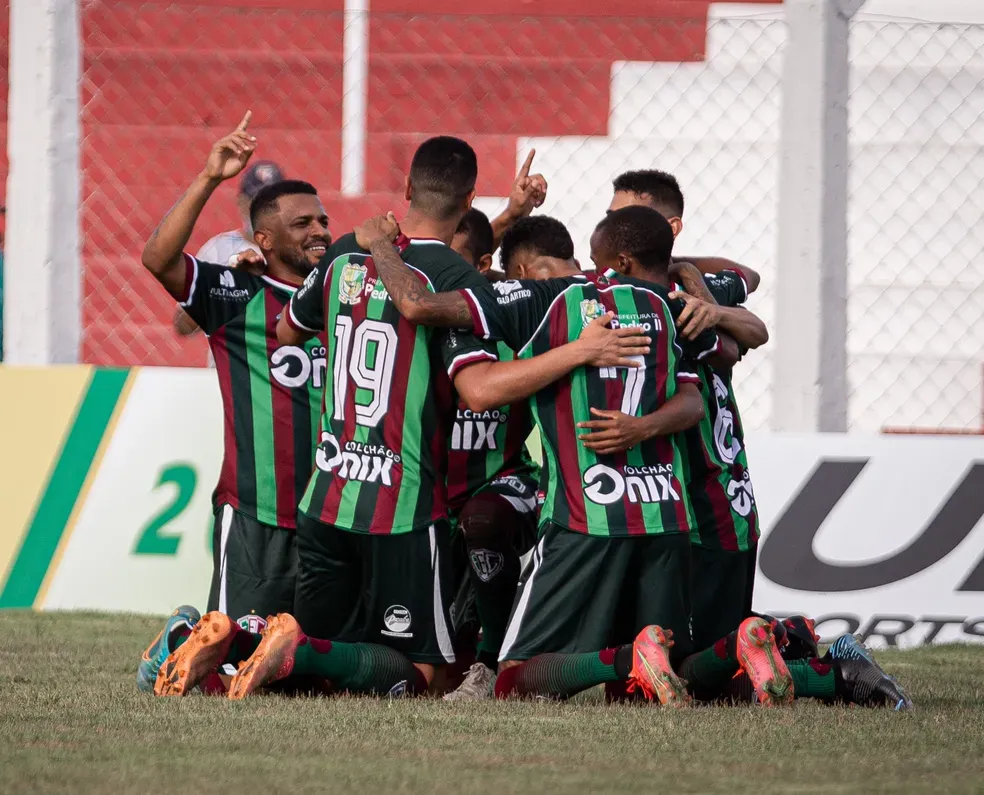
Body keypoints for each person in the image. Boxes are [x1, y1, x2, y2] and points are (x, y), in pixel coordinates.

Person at [361, 205, 749, 704]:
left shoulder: (553, 298)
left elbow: (421, 309)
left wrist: (380, 247)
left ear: (615, 260)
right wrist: (644, 426)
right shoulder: (672, 306)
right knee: (649, 688)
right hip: (666, 519)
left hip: (585, 518)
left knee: (514, 680)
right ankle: (740, 645)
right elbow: (701, 391)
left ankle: (628, 657)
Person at [136, 112, 330, 694]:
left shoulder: (348, 298)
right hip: (256, 511)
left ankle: (185, 640)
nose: (319, 231)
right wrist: (208, 177)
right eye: (303, 224)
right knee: (223, 663)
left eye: (323, 220)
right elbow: (159, 263)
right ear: (263, 241)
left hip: (337, 514)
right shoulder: (238, 292)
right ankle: (177, 643)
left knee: (306, 671)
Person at [173, 160, 285, 340]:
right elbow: (183, 326)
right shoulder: (218, 249)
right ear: (241, 203)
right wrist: (224, 289)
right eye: (256, 201)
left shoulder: (295, 253)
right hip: (226, 365)